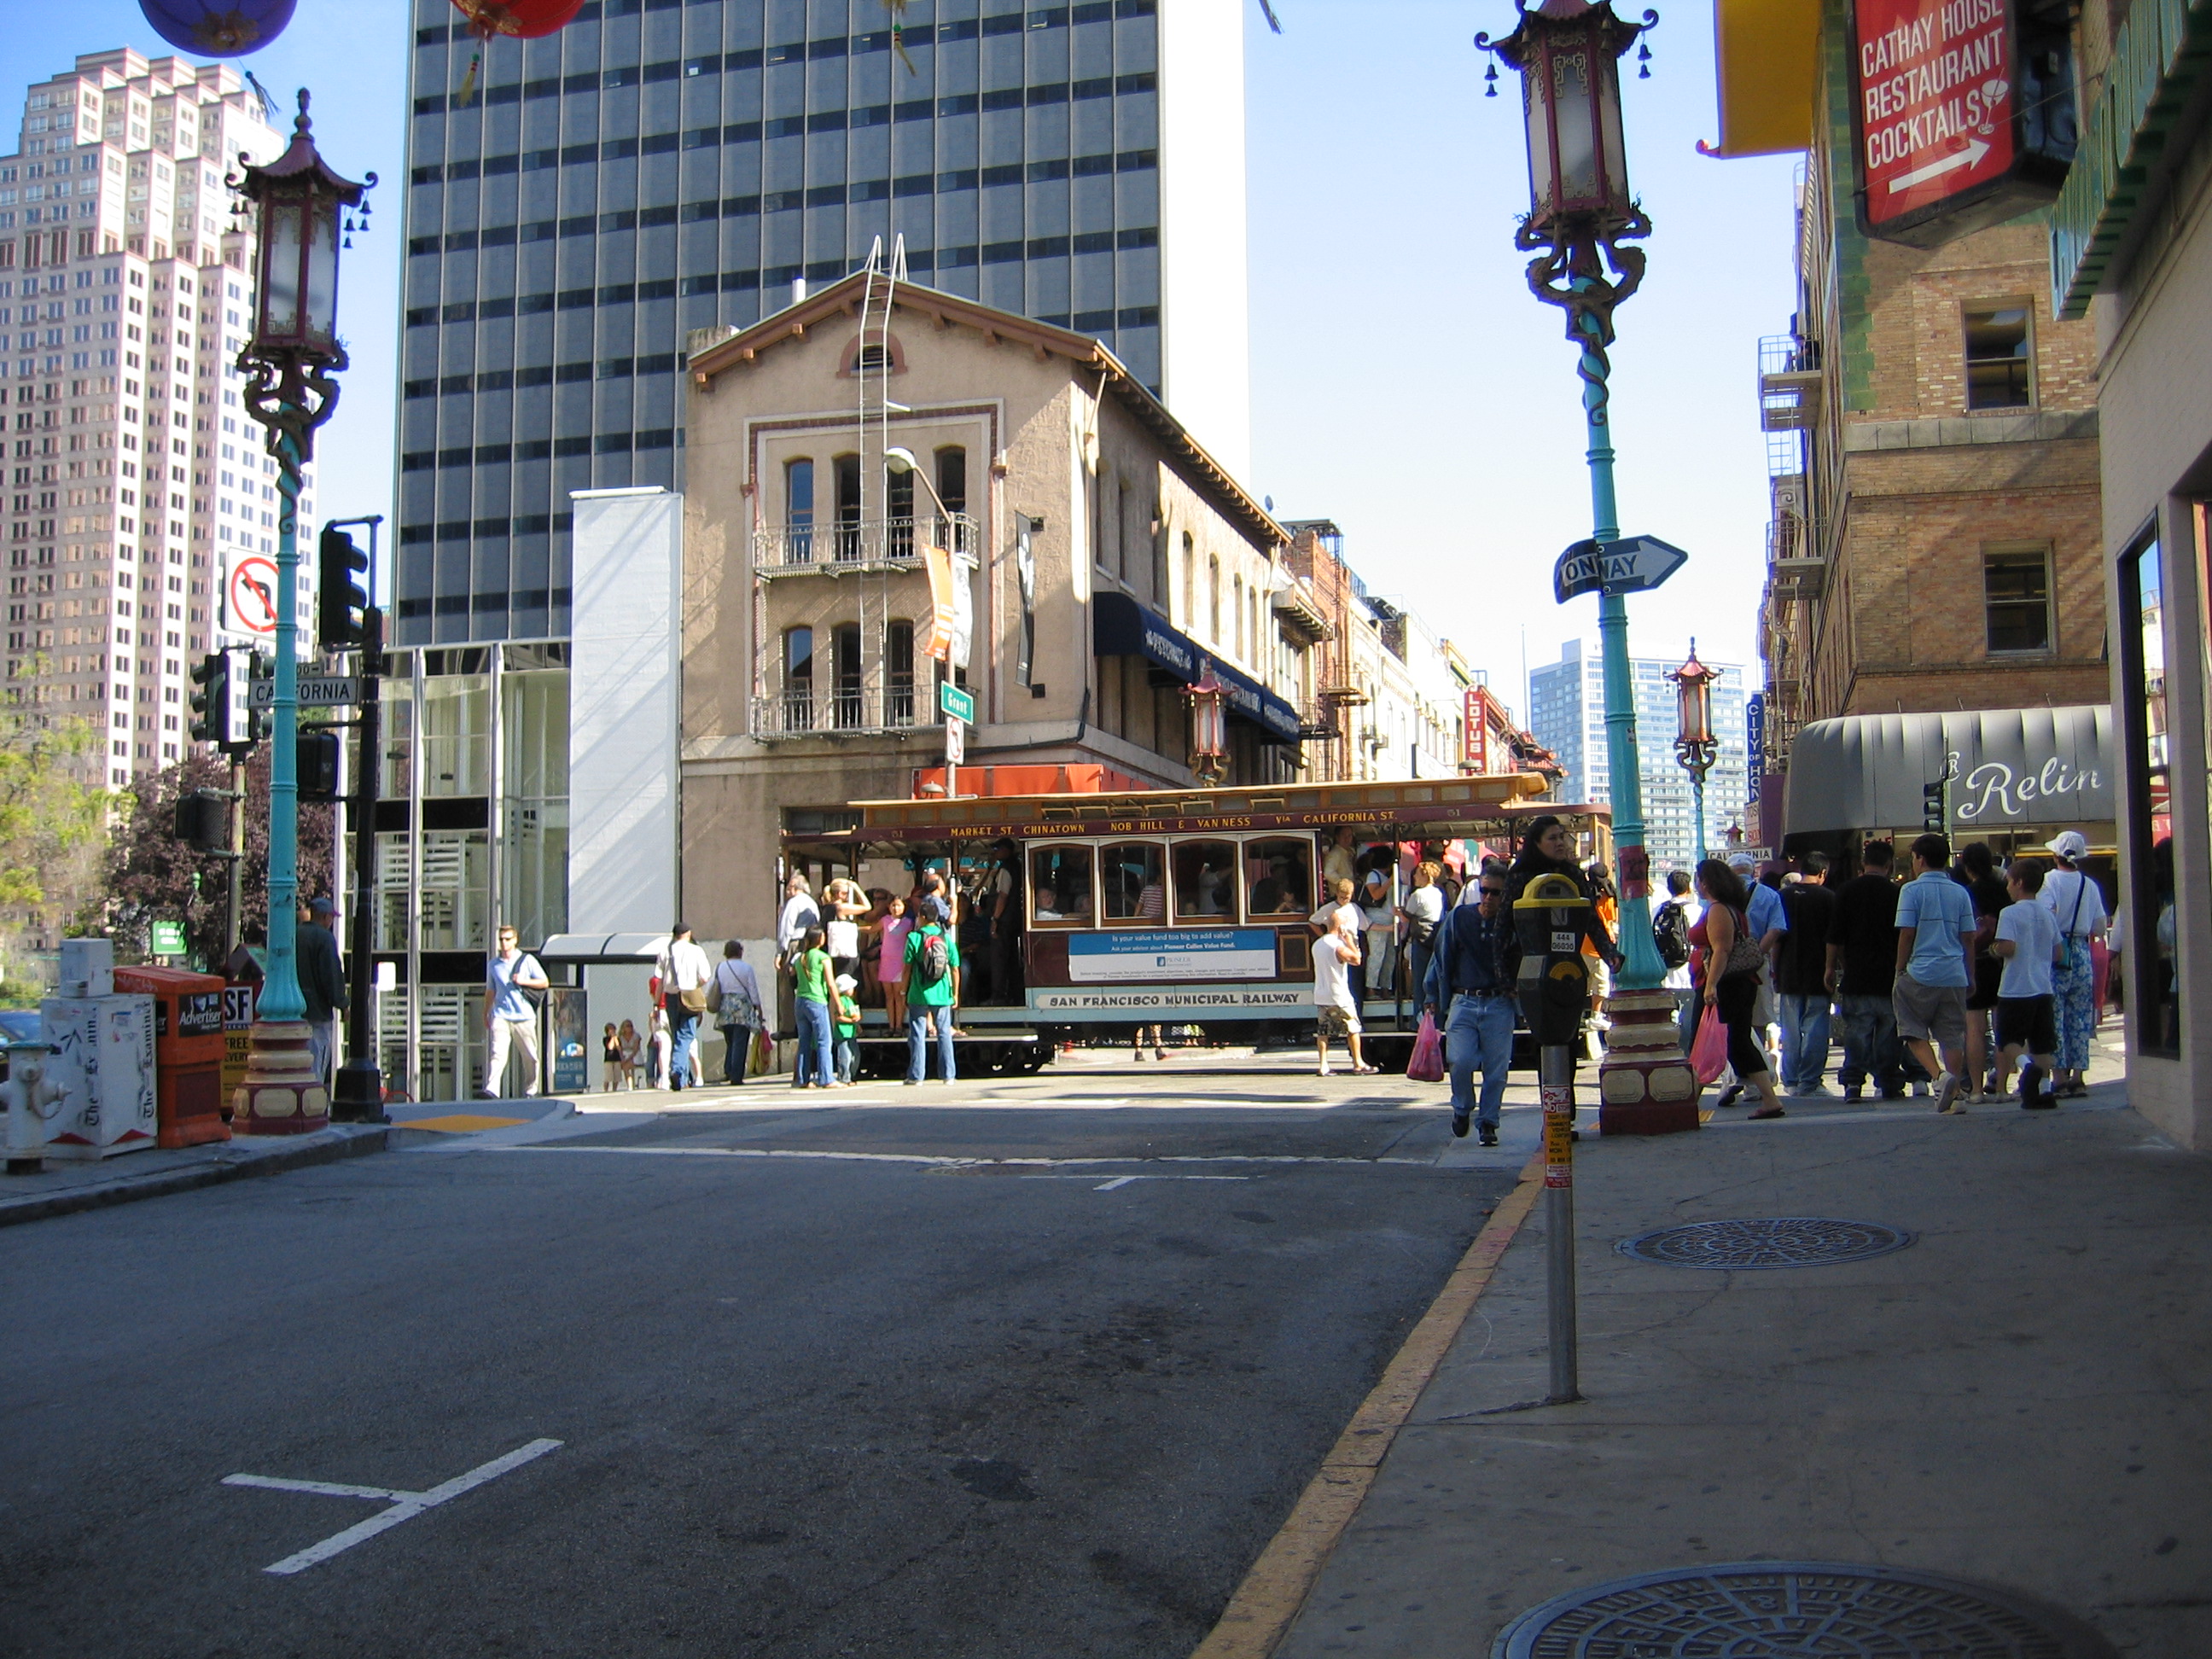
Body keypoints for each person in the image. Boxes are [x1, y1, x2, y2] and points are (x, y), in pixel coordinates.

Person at [1422, 864, 1516, 1144]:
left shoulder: (1511, 923)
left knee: (1496, 1071)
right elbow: (1440, 959)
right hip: (1463, 1000)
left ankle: (1488, 1123)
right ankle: (1462, 1107)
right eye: (1484, 891)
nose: (1488, 898)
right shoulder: (1460, 917)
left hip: (1499, 1002)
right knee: (1460, 1060)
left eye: (1496, 893)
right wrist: (1432, 996)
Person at [1690, 859, 1786, 1120]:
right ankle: (1769, 1098)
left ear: (1706, 882)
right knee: (1737, 1042)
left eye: (1698, 879)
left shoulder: (1718, 910)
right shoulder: (1730, 907)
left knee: (1710, 1040)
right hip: (1738, 982)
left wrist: (1711, 985)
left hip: (1725, 984)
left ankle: (1690, 1100)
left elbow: (1722, 949)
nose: (1696, 884)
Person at [1893, 832, 1979, 1114]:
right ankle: (1956, 1095)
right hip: (1954, 971)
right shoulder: (1960, 892)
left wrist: (1900, 969)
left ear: (1920, 859)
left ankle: (1939, 1077)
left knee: (1911, 1029)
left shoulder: (1911, 891)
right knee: (1952, 1034)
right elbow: (1969, 938)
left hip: (1920, 970)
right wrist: (1970, 974)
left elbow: (1907, 933)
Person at [1825, 841, 1906, 1101]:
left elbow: (1835, 936)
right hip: (1889, 975)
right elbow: (1905, 935)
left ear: (1863, 863)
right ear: (1889, 864)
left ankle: (1853, 1082)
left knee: (1857, 1032)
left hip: (1857, 974)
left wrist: (1830, 967)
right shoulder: (1897, 893)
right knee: (1889, 1032)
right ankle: (1889, 1081)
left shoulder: (1846, 891)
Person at [2037, 830, 2109, 1096]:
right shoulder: (2089, 885)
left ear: (2056, 855)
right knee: (2079, 1015)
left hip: (2057, 950)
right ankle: (2078, 1076)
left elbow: (2045, 917)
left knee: (2054, 1015)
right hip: (2081, 950)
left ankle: (2058, 1077)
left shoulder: (2048, 882)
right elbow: (2099, 925)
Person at [1990, 860, 2064, 1107]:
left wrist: (1994, 948)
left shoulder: (2009, 913)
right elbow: (2058, 953)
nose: (2008, 887)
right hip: (2043, 986)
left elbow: (2009, 947)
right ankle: (2044, 1091)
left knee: (2008, 1038)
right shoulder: (2047, 914)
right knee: (2042, 1043)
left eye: (2010, 882)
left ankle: (2026, 1065)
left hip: (2016, 987)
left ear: (2019, 883)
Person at [1716, 852, 1787, 1106]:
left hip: (1726, 966)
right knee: (1756, 1022)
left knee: (1731, 1023)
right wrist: (1756, 954)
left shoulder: (1721, 897)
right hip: (1757, 965)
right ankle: (1755, 1083)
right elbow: (1776, 928)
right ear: (1753, 871)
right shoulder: (1769, 895)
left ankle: (1737, 1075)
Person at [1774, 852, 1838, 1096]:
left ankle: (1790, 1080)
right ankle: (1810, 1081)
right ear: (1823, 873)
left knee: (1790, 1029)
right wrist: (1831, 968)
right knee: (1816, 1027)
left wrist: (1775, 969)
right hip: (1818, 970)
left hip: (1788, 971)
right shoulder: (1829, 898)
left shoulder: (1782, 896)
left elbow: (1777, 937)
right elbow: (1833, 939)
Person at [1952, 841, 2010, 1103]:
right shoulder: (2003, 891)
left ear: (1967, 866)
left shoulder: (1966, 894)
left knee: (1974, 1029)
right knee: (2001, 1028)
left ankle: (1975, 1089)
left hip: (1974, 963)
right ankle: (2002, 1088)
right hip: (2001, 962)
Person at [480, 923, 546, 1098]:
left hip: (524, 1016)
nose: (504, 943)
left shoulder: (527, 960)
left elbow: (544, 982)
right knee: (498, 1053)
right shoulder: (494, 965)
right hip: (501, 1015)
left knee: (530, 1056)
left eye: (508, 939)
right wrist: (486, 1012)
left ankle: (531, 1089)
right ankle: (492, 1089)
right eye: (501, 939)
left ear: (515, 940)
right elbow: (491, 990)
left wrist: (524, 981)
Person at [903, 902, 962, 1084]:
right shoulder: (946, 938)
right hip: (942, 992)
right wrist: (955, 993)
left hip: (919, 991)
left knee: (918, 1034)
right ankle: (948, 1075)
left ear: (921, 917)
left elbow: (907, 967)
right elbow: (955, 968)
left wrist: (903, 990)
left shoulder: (914, 937)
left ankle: (916, 1076)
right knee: (944, 1032)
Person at [1312, 911, 1374, 1077]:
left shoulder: (1317, 944)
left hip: (1321, 994)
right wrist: (1350, 941)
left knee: (1323, 1031)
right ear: (1340, 927)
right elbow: (1357, 960)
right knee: (1353, 1028)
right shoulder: (1337, 946)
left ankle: (1323, 1065)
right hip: (1339, 995)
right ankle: (1358, 1063)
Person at [295, 897, 347, 1090]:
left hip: (295, 1011)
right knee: (316, 1064)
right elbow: (331, 975)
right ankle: (313, 1101)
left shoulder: (295, 935)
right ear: (325, 917)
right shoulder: (325, 938)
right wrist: (342, 1004)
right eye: (331, 917)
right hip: (318, 1012)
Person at [654, 923, 713, 1091]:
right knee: (686, 1035)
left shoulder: (665, 952)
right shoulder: (696, 950)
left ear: (674, 935)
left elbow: (659, 981)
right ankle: (677, 1070)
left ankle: (682, 1078)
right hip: (689, 994)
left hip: (671, 996)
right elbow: (705, 976)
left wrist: (656, 1004)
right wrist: (695, 986)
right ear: (688, 934)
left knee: (676, 1035)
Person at [791, 925, 841, 1089]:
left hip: (800, 1001)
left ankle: (802, 1079)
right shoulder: (823, 957)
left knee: (804, 1041)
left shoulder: (801, 958)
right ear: (820, 939)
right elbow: (831, 983)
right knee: (823, 1040)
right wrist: (839, 1004)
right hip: (816, 1000)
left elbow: (792, 975)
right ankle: (826, 1078)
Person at [1654, 869, 1698, 1052]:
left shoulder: (1658, 910)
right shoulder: (1697, 910)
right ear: (1689, 888)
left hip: (1665, 971)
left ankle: (1670, 1050)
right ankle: (1685, 1053)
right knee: (1689, 1018)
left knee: (1669, 1016)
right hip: (1689, 972)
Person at [712, 940, 764, 1086]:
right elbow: (752, 989)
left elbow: (713, 986)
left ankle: (728, 1070)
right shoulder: (746, 968)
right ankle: (736, 1075)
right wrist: (758, 1008)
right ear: (740, 951)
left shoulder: (720, 967)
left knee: (730, 1041)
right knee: (740, 1042)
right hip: (742, 1006)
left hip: (725, 1006)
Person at [1401, 861, 1447, 1008]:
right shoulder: (1439, 892)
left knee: (1419, 978)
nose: (1414, 877)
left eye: (1416, 874)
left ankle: (1420, 1014)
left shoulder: (1418, 894)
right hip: (1435, 936)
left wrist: (1398, 911)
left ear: (1424, 875)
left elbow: (1406, 916)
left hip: (1420, 938)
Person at [987, 837, 1025, 1005]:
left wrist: (995, 919)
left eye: (997, 849)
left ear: (1006, 850)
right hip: (1014, 920)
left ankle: (999, 996)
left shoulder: (1006, 870)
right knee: (1012, 959)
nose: (994, 853)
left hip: (1005, 922)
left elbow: (1003, 896)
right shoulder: (1017, 866)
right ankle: (1014, 995)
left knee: (999, 959)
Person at [876, 895, 913, 1035]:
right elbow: (872, 929)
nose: (896, 908)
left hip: (900, 961)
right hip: (886, 961)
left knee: (899, 995)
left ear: (904, 907)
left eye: (899, 905)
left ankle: (899, 1026)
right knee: (889, 996)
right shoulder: (885, 920)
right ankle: (891, 1026)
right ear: (889, 907)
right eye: (893, 905)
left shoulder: (908, 923)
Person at [777, 873, 822, 963]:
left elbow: (786, 928)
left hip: (795, 944)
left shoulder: (793, 902)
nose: (787, 891)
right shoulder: (812, 903)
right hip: (810, 943)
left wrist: (780, 952)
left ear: (793, 887)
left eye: (788, 887)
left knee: (789, 970)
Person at [616, 1018, 642, 1090]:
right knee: (622, 1065)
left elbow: (635, 1050)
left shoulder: (636, 1036)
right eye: (627, 1026)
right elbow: (620, 1049)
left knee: (626, 1066)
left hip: (635, 1055)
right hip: (624, 1055)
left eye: (631, 1026)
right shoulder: (620, 1037)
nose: (630, 1027)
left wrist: (627, 1059)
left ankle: (630, 1085)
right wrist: (622, 1058)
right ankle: (629, 1085)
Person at [600, 1023, 623, 1092]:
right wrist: (612, 1038)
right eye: (611, 1030)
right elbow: (610, 1047)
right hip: (609, 1059)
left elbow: (619, 1048)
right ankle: (606, 1090)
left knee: (617, 1076)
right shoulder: (605, 1039)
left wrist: (615, 1038)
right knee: (608, 1076)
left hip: (617, 1059)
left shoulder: (618, 1039)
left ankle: (614, 1089)